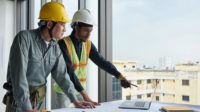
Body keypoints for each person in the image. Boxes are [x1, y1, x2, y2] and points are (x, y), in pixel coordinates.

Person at [2, 2, 94, 112]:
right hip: (19, 105)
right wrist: (27, 109)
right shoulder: (24, 39)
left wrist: (75, 100)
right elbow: (19, 78)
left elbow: (62, 76)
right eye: (62, 25)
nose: (65, 29)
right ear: (50, 24)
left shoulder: (55, 47)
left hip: (38, 103)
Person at [53, 9, 131, 108]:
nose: (89, 34)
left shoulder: (88, 44)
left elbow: (102, 62)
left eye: (90, 31)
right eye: (86, 30)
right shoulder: (63, 44)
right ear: (76, 27)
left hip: (80, 91)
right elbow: (69, 71)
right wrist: (85, 95)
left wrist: (120, 76)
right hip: (64, 92)